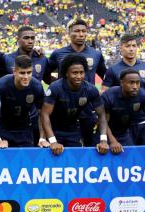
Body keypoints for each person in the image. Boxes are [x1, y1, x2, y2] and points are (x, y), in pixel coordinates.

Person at [49, 19, 107, 147]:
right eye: (77, 31)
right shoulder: (58, 53)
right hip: (62, 110)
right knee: (61, 149)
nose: (81, 34)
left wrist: (103, 91)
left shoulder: (96, 54)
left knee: (88, 147)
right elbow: (47, 73)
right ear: (69, 33)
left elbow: (106, 77)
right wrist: (56, 86)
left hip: (87, 110)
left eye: (83, 31)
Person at [40, 54, 109, 155]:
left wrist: (103, 140)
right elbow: (44, 114)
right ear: (66, 73)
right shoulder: (55, 88)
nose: (79, 76)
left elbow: (102, 114)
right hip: (54, 129)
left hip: (73, 130)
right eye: (75, 73)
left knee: (76, 160)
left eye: (81, 72)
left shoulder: (90, 89)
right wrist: (53, 141)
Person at [101, 33, 145, 145]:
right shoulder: (113, 70)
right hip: (121, 123)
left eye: (134, 46)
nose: (131, 49)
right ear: (121, 48)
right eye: (127, 46)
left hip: (143, 120)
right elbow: (104, 94)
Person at [101, 69, 145, 154]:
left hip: (123, 133)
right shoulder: (109, 96)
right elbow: (103, 121)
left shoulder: (143, 95)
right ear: (122, 83)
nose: (135, 86)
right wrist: (112, 141)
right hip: (104, 133)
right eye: (131, 82)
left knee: (131, 158)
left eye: (137, 82)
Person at [0, 55, 48, 148]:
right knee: (4, 161)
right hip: (3, 128)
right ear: (14, 71)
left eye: (29, 72)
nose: (26, 76)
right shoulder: (1, 85)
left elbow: (41, 113)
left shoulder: (36, 86)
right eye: (22, 73)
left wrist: (42, 138)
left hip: (24, 128)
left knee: (27, 161)